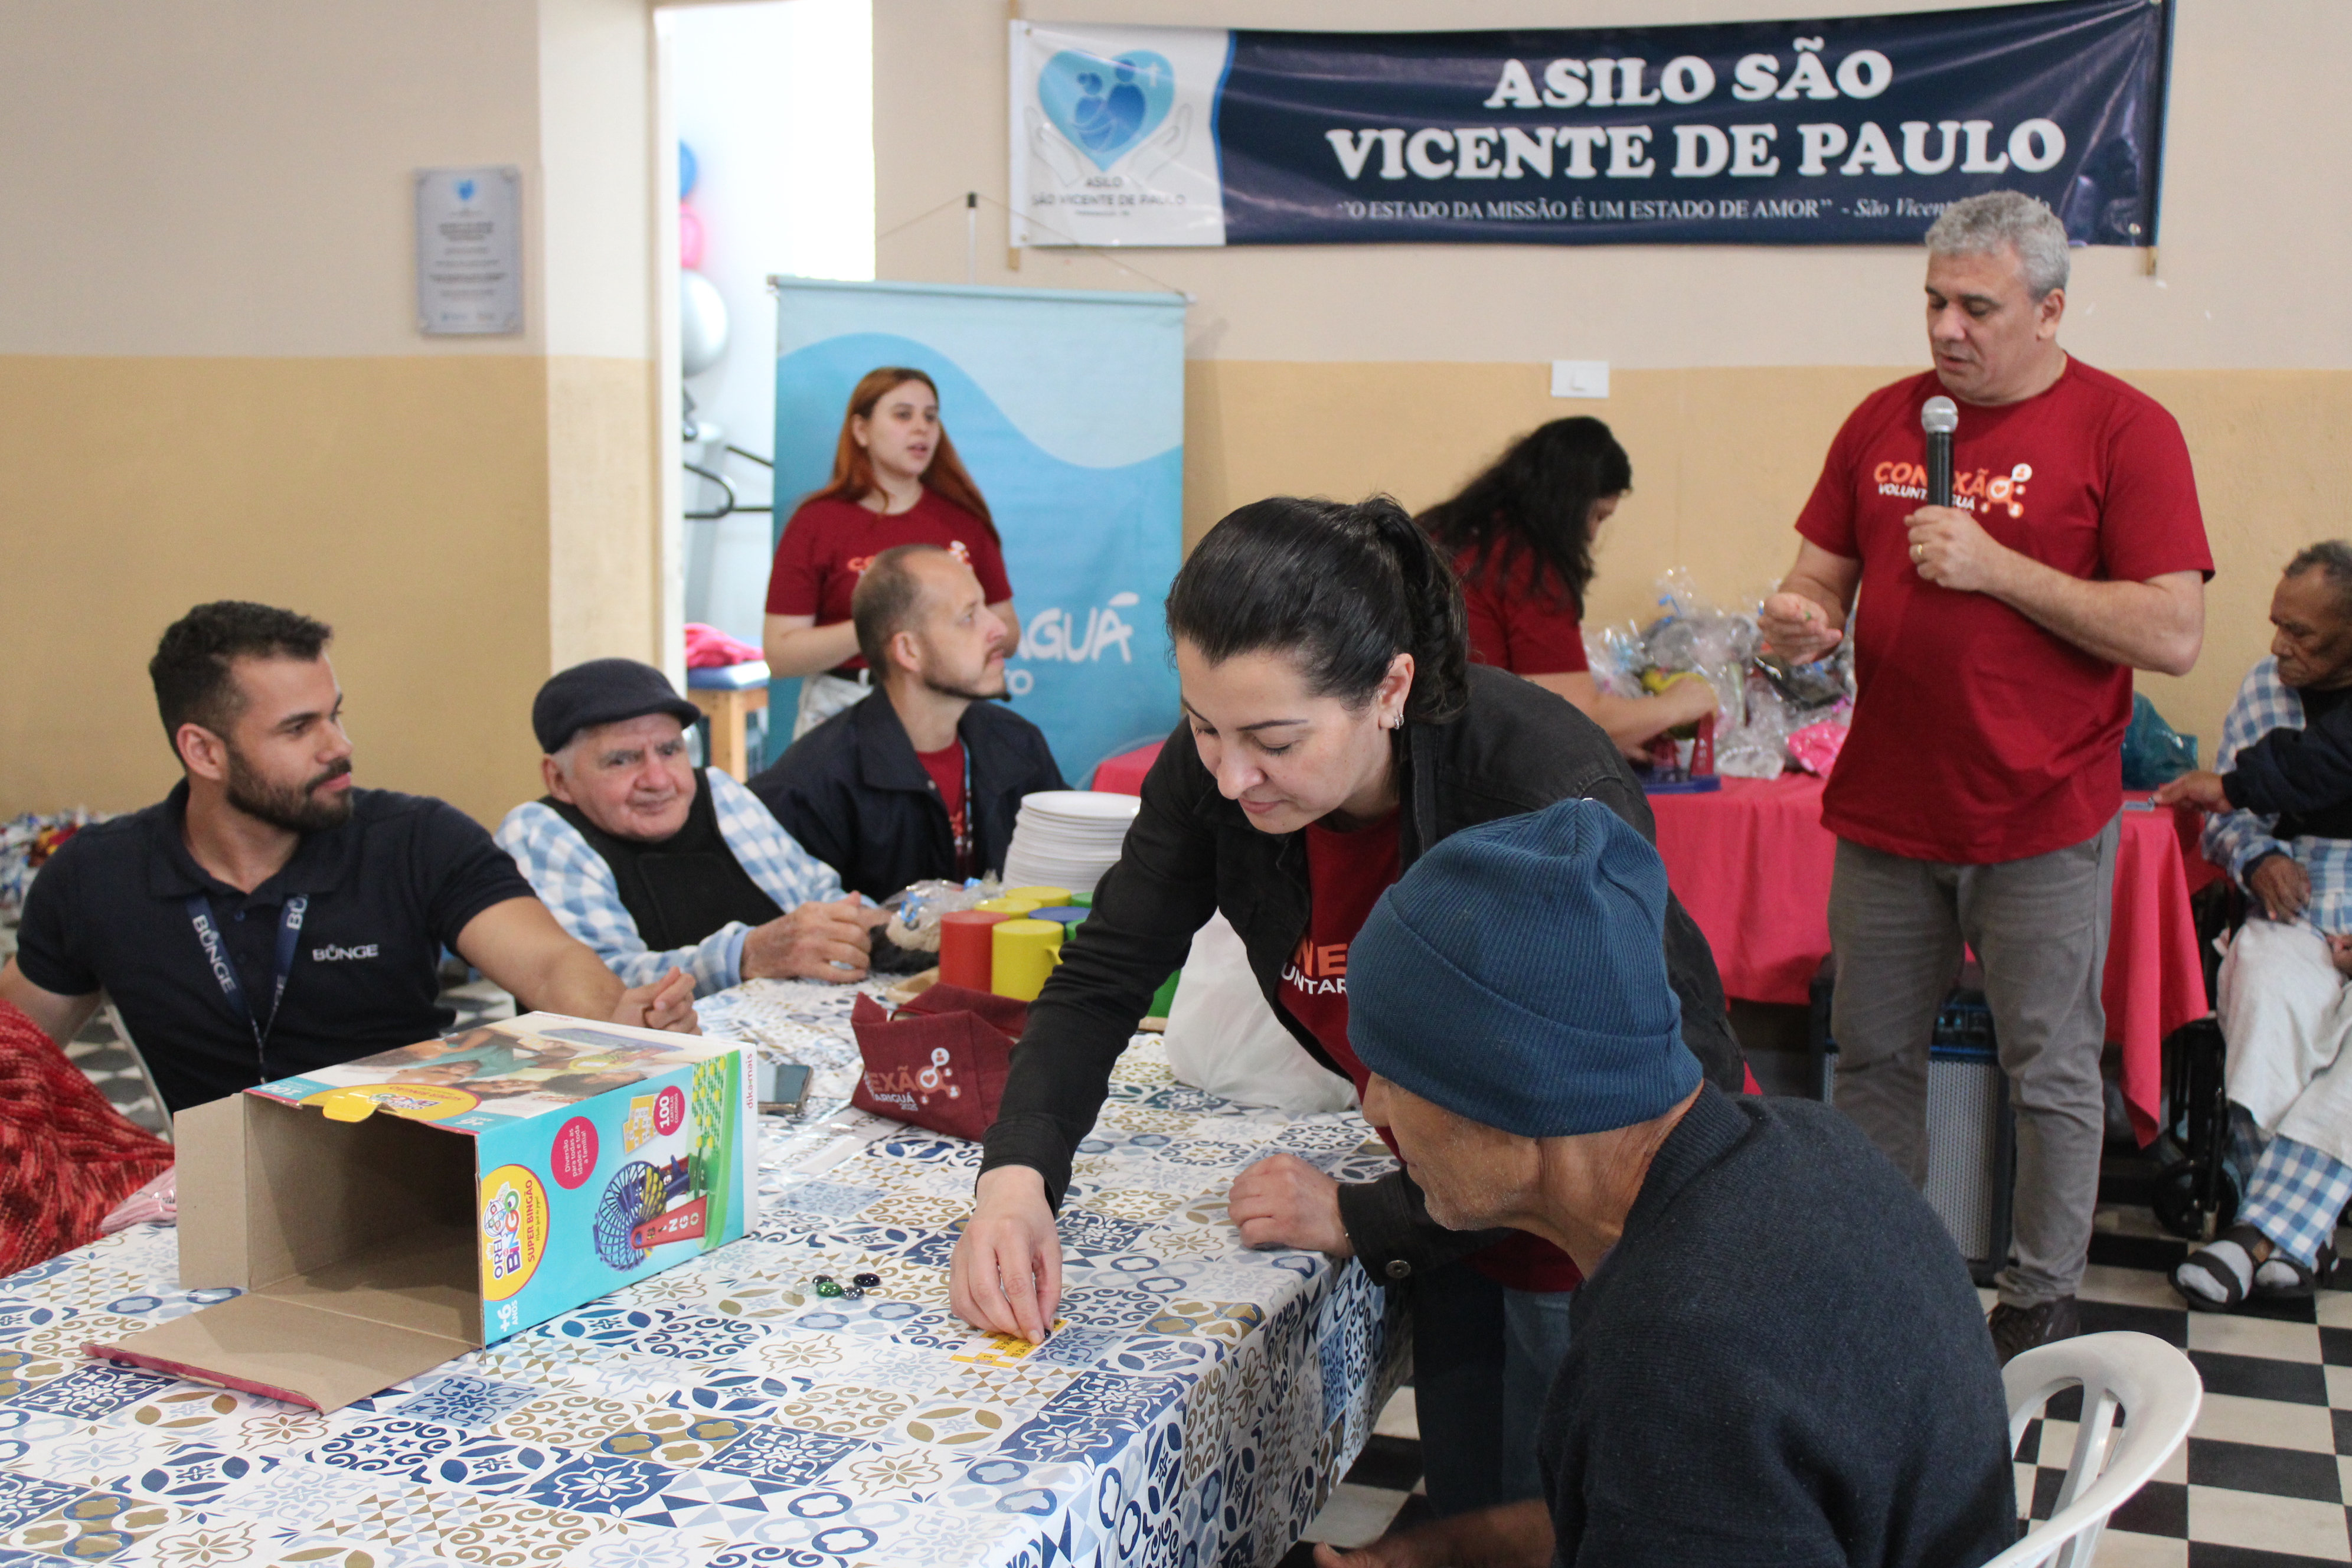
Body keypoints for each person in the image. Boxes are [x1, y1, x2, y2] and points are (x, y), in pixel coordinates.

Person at [949, 496, 1746, 1518]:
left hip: (1592, 1223)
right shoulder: (1215, 775)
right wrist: (1014, 1182)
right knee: (1471, 1496)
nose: (1232, 775)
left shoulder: (1534, 786)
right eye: (1202, 728)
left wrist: (1366, 1214)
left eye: (1273, 740)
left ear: (1389, 687)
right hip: (1452, 1182)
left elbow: (1640, 1100)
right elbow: (1102, 975)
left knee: (1562, 1514)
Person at [1318, 799, 2015, 1568]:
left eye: (1392, 1070)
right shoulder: (1805, 1147)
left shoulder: (1677, 1359)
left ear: (1512, 1088)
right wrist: (1437, 1555)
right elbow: (1648, 1515)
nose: (1373, 1106)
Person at [1758, 190, 2212, 1363]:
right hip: (1887, 813)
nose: (1947, 329)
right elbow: (1818, 579)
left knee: (2050, 1064)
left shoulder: (2127, 431)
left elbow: (2172, 632)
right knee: (1873, 1056)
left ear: (2052, 309)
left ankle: (2042, 1292)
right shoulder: (1882, 423)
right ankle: (1881, 1271)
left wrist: (2001, 568)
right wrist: (1799, 617)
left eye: (1978, 306)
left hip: (2042, 815)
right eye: (1934, 301)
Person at [0, 603, 699, 1115]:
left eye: (334, 713)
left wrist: (614, 1015)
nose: (339, 745)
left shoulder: (416, 838)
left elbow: (548, 963)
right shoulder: (96, 878)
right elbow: (15, 1058)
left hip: (408, 1174)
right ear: (204, 751)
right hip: (215, 1204)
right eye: (300, 728)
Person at [2155, 545, 2352, 1309]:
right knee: (2268, 991)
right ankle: (2305, 1227)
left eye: (2306, 636)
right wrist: (2260, 856)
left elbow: (2238, 784)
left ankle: (2258, 1233)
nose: (2281, 647)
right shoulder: (2268, 689)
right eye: (2280, 626)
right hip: (2296, 894)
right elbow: (2226, 825)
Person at [496, 658, 886, 994]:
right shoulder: (542, 832)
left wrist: (883, 927)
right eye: (622, 760)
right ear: (558, 780)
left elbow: (819, 893)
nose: (658, 779)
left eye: (670, 751)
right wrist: (744, 956)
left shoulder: (717, 793)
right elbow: (600, 985)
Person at [750, 545, 1066, 899]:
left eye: (987, 608)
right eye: (968, 617)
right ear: (908, 651)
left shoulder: (1019, 744)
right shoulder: (810, 789)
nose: (999, 629)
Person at [1419, 417, 1716, 754]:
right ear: (1569, 505)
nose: (1592, 535)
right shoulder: (1525, 564)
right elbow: (1573, 716)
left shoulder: (1441, 530)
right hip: (1464, 763)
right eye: (1598, 516)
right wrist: (1679, 705)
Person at [763, 368, 1021, 739]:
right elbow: (781, 655)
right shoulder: (816, 522)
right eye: (903, 415)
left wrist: (957, 626)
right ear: (861, 430)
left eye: (931, 416)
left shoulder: (964, 520)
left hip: (949, 708)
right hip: (845, 707)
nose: (922, 428)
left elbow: (1008, 633)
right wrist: (886, 620)